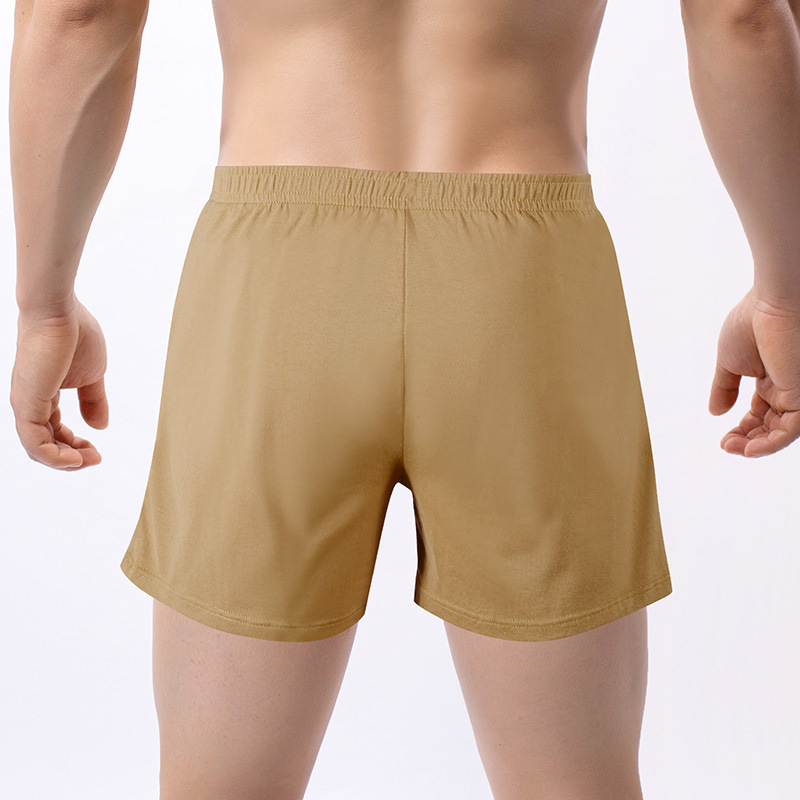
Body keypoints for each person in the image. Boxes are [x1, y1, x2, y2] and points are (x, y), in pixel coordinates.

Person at [8, 1, 800, 798]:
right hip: (524, 285)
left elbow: (80, 14)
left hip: (278, 284)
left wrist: (45, 305)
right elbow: (745, 17)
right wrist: (783, 295)